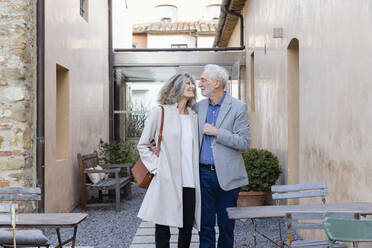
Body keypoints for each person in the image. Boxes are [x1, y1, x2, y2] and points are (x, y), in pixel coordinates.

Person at [137, 72, 201, 248]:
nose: (192, 87)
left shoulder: (194, 117)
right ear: (176, 87)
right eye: (187, 83)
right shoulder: (160, 112)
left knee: (186, 228)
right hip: (166, 180)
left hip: (189, 180)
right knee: (162, 228)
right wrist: (158, 168)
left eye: (192, 83)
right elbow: (143, 145)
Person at [194, 64, 251, 248]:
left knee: (227, 225)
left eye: (203, 80)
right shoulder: (197, 108)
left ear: (217, 83)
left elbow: (244, 142)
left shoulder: (238, 107)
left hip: (228, 175)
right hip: (203, 174)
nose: (199, 84)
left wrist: (218, 132)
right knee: (205, 225)